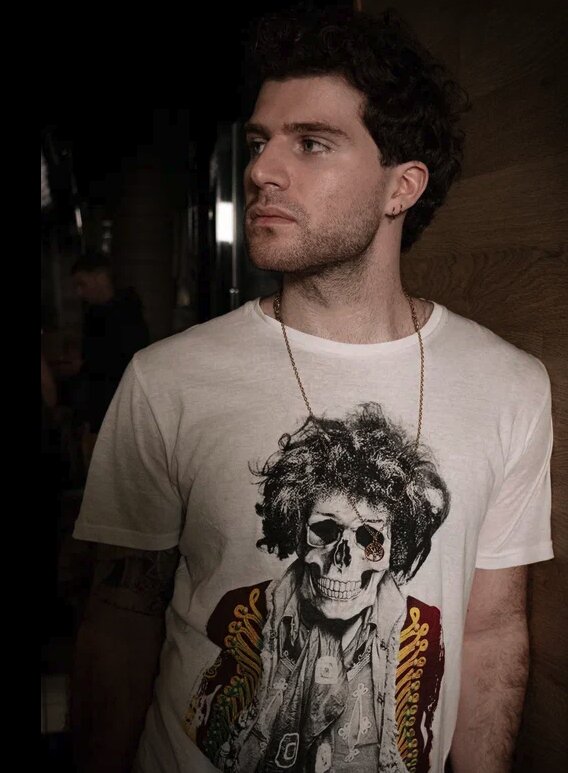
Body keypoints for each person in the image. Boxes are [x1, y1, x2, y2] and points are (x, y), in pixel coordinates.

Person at [71, 8, 553, 773]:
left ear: (401, 187)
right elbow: (120, 619)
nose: (261, 170)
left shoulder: (510, 386)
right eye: (260, 141)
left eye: (311, 143)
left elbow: (492, 631)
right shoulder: (166, 379)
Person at [70, 250, 149, 468]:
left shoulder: (125, 316)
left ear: (100, 277)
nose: (79, 292)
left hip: (116, 411)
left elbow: (117, 365)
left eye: (82, 284)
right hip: (100, 411)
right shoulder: (94, 314)